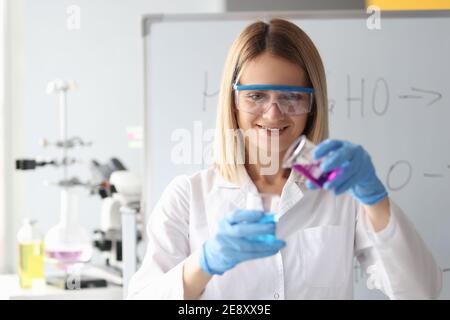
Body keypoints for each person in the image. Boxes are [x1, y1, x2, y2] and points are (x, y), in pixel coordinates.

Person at [127, 18, 442, 299]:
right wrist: (203, 263)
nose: (273, 113)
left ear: (312, 105)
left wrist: (376, 199)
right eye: (256, 96)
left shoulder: (342, 195)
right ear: (232, 102)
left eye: (291, 96)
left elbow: (420, 292)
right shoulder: (188, 196)